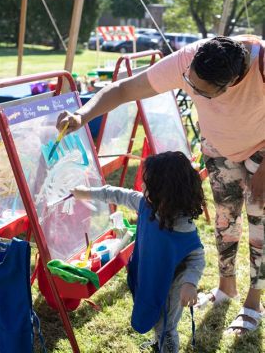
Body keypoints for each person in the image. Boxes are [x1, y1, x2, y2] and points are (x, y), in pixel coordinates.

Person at [57, 35, 265, 335]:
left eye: (201, 93)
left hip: (261, 148)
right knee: (224, 220)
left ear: (230, 83)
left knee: (260, 226)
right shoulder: (189, 60)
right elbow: (124, 88)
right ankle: (225, 288)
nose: (189, 90)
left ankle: (252, 304)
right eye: (188, 83)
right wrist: (82, 114)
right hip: (220, 147)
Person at [71, 151, 205, 353]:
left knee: (166, 327)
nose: (142, 188)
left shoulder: (182, 226)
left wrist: (189, 283)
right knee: (153, 316)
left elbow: (197, 257)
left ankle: (166, 345)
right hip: (147, 274)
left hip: (170, 287)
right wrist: (86, 193)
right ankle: (159, 338)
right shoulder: (146, 203)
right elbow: (116, 193)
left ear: (166, 192)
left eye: (148, 184)